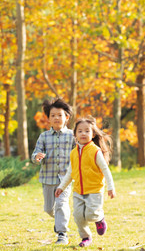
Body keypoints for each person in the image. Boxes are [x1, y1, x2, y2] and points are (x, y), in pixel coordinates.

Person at [55, 117, 116, 248]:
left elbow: (105, 170)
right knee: (78, 216)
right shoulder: (73, 153)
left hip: (94, 190)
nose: (83, 133)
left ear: (92, 134)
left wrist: (111, 187)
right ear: (75, 134)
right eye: (80, 131)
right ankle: (86, 237)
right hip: (78, 191)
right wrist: (61, 187)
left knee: (91, 214)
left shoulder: (95, 151)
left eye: (87, 131)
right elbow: (70, 173)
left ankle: (99, 219)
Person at [31, 98, 76, 245]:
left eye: (60, 115)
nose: (56, 118)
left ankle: (62, 234)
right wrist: (37, 157)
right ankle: (59, 218)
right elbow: (36, 153)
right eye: (53, 115)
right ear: (48, 119)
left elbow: (78, 154)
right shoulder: (43, 137)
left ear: (66, 118)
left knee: (62, 204)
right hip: (47, 178)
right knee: (49, 209)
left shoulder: (72, 136)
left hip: (65, 179)